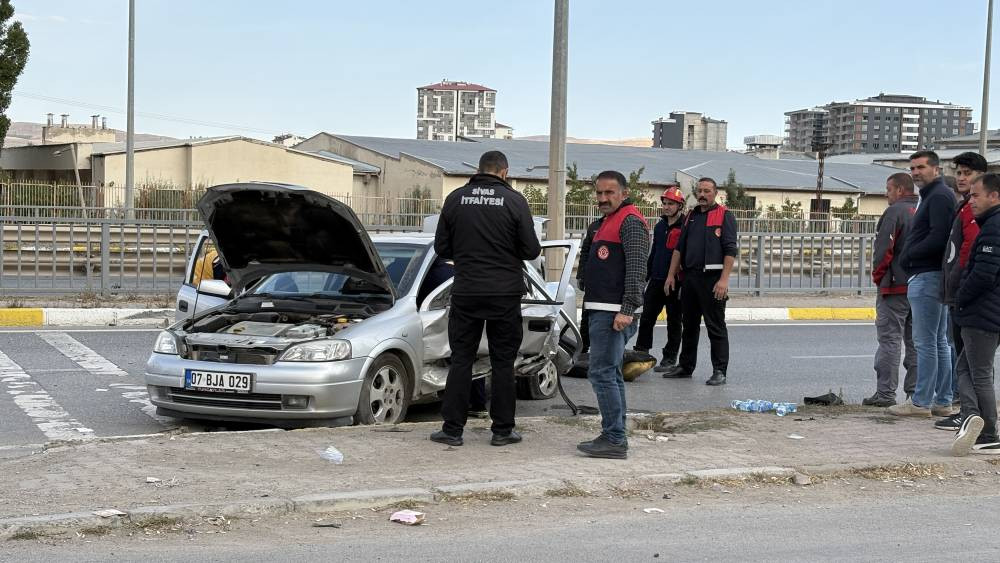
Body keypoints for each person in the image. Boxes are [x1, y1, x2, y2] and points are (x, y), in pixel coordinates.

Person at [430, 150, 541, 447]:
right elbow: (531, 250)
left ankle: (452, 430)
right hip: (505, 293)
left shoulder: (455, 199)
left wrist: (468, 253)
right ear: (504, 172)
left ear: (480, 170)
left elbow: (442, 247)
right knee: (503, 361)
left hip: (466, 291)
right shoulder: (515, 201)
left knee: (461, 359)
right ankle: (502, 431)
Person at [576, 171, 650, 459]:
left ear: (623, 192)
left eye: (609, 193)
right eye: (599, 193)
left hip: (613, 313)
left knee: (602, 373)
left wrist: (627, 309)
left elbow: (636, 269)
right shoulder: (606, 222)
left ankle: (614, 438)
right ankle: (615, 433)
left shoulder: (630, 222)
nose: (603, 198)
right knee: (610, 373)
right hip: (603, 309)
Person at [889, 151, 957, 418]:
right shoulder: (933, 195)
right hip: (932, 275)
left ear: (936, 169)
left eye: (921, 167)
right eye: (913, 168)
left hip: (927, 275)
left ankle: (921, 402)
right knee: (939, 341)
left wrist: (907, 255)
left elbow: (939, 237)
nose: (916, 172)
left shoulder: (938, 196)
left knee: (926, 342)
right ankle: (942, 400)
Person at [662, 177, 738, 386]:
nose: (702, 195)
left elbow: (730, 251)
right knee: (690, 325)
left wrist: (724, 280)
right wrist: (671, 275)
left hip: (713, 279)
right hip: (690, 278)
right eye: (699, 191)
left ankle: (719, 371)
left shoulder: (725, 216)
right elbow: (679, 248)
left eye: (707, 191)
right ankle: (686, 366)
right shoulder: (690, 217)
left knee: (716, 326)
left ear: (715, 193)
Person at [935, 152, 987, 431]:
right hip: (958, 289)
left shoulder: (975, 211)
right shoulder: (965, 206)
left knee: (970, 360)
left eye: (967, 173)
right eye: (959, 173)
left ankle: (971, 414)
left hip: (965, 292)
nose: (961, 178)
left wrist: (959, 286)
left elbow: (969, 252)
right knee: (967, 358)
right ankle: (973, 414)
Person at [950, 173, 1000, 455]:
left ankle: (987, 430)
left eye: (977, 195)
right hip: (989, 311)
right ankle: (972, 420)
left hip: (982, 312)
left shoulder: (993, 228)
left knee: (977, 373)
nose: (971, 201)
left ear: (994, 196)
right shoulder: (991, 225)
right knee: (966, 369)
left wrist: (960, 299)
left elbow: (983, 274)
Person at [863, 173, 918, 407]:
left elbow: (884, 248)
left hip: (895, 286)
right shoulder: (923, 209)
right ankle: (915, 394)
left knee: (890, 340)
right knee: (917, 343)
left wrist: (879, 277)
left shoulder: (895, 212)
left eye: (888, 189)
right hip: (920, 285)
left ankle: (885, 394)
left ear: (899, 190)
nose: (886, 194)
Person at [634, 185, 686, 373]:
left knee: (674, 321)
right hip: (656, 279)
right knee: (647, 318)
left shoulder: (686, 226)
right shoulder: (660, 225)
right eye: (664, 203)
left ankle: (670, 357)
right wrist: (645, 277)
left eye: (671, 204)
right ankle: (641, 351)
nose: (666, 207)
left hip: (675, 282)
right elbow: (654, 253)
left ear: (680, 205)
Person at [575, 217, 602, 358]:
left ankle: (606, 352)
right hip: (592, 281)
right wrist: (581, 275)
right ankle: (583, 348)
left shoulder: (622, 224)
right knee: (586, 316)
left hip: (610, 284)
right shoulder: (594, 226)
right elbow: (585, 252)